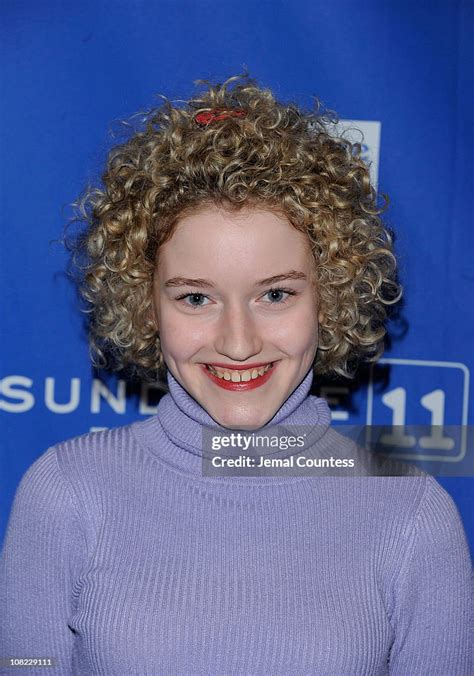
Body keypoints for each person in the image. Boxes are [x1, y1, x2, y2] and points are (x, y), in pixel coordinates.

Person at [0, 74, 471, 675]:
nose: (239, 343)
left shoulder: (412, 517)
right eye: (196, 299)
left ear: (330, 297)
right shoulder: (65, 495)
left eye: (275, 294)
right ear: (146, 304)